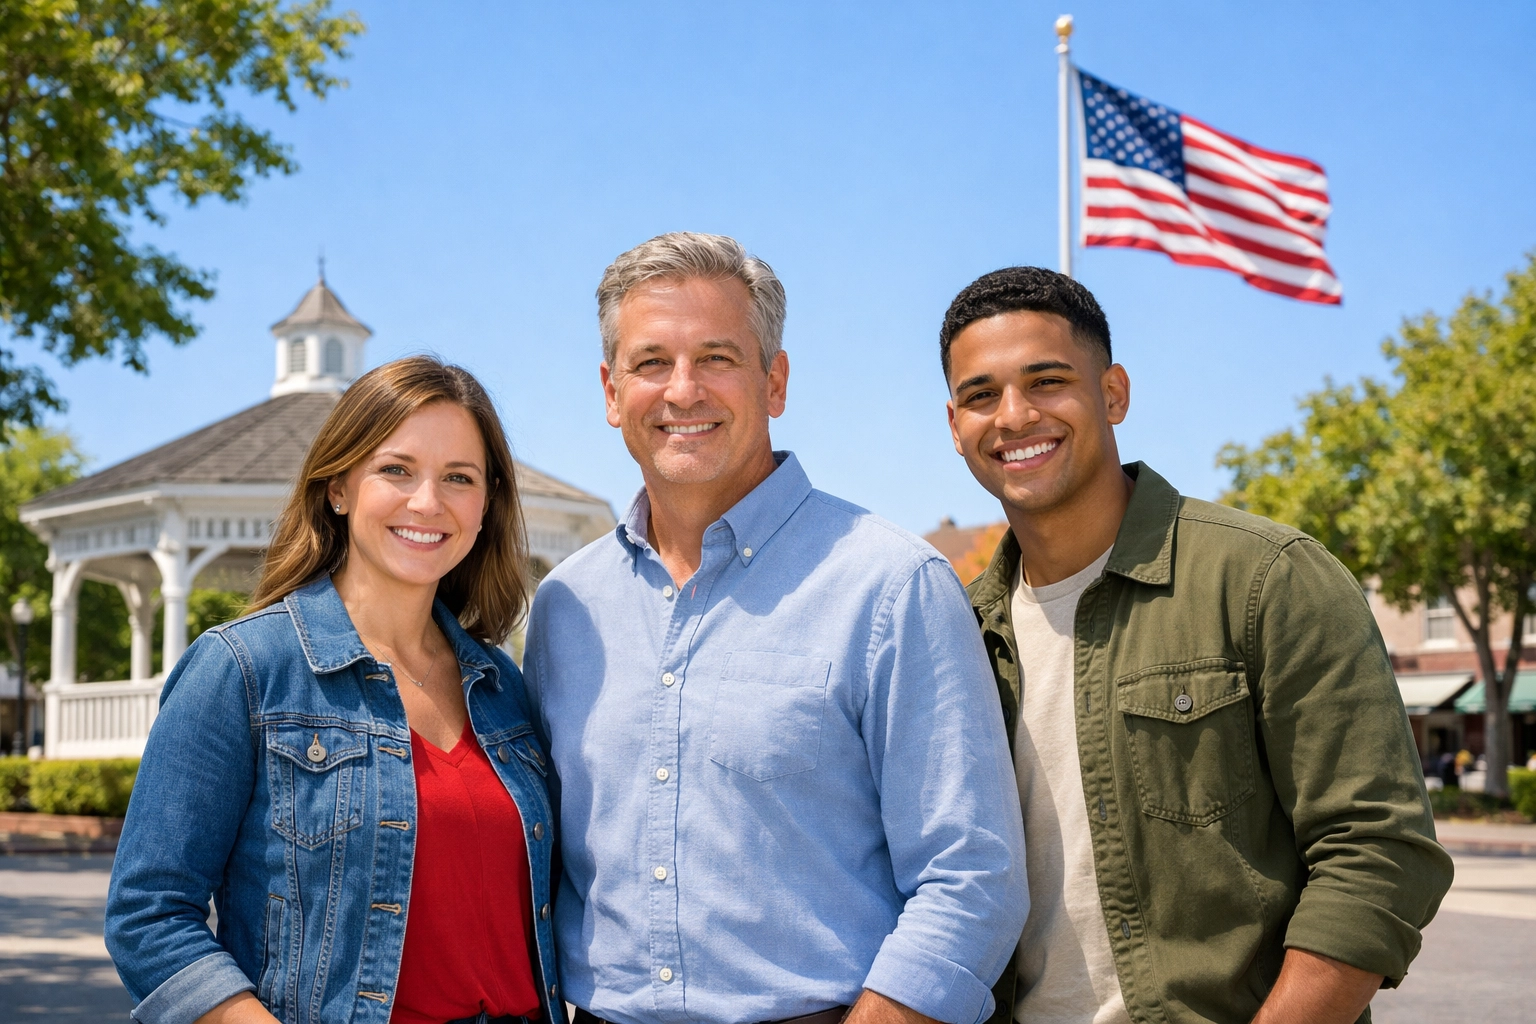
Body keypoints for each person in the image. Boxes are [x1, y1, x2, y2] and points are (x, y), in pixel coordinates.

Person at [522, 232, 1027, 1024]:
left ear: (775, 380)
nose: (682, 391)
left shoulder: (891, 586)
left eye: (717, 358)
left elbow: (971, 879)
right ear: (612, 391)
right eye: (651, 362)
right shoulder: (565, 607)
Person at [939, 267, 1453, 1024]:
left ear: (1113, 393)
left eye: (1047, 381)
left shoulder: (1269, 579)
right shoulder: (957, 635)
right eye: (982, 395)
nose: (1013, 416)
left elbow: (1378, 855)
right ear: (955, 426)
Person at [106, 357, 561, 1024]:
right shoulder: (242, 670)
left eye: (458, 478)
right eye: (396, 470)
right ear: (339, 487)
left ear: (485, 504)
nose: (427, 502)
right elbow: (149, 915)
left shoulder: (501, 688)